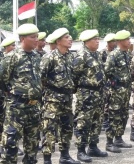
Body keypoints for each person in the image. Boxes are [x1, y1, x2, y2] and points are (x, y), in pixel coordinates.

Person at [0, 23, 42, 164]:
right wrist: (13, 93)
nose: (36, 39)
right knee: (10, 144)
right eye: (33, 37)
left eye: (37, 36)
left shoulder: (36, 57)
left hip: (34, 107)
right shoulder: (11, 57)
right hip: (16, 108)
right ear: (23, 39)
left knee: (32, 144)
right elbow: (2, 80)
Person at [40, 28, 80, 164]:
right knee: (50, 129)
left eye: (70, 36)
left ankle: (65, 156)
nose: (70, 39)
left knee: (67, 128)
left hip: (67, 99)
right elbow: (40, 78)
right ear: (58, 41)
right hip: (53, 99)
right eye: (67, 37)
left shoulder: (70, 56)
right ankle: (47, 159)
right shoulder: (49, 57)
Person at [73, 29, 108, 163]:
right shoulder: (81, 55)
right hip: (86, 94)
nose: (97, 41)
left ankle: (93, 147)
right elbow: (74, 75)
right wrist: (81, 89)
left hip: (98, 93)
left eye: (98, 39)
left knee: (96, 121)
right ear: (87, 42)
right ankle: (81, 150)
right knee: (83, 122)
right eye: (95, 39)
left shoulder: (96, 55)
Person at [104, 30, 132, 153]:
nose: (129, 41)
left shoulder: (127, 54)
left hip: (125, 89)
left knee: (124, 115)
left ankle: (119, 138)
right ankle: (109, 142)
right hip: (116, 90)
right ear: (120, 41)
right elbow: (107, 71)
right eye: (127, 39)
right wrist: (115, 82)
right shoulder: (113, 55)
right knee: (114, 115)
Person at [100, 33, 116, 131]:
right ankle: (104, 121)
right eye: (113, 41)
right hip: (106, 81)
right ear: (109, 43)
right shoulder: (102, 53)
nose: (115, 43)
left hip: (113, 81)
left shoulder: (115, 52)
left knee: (111, 101)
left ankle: (108, 120)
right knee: (105, 101)